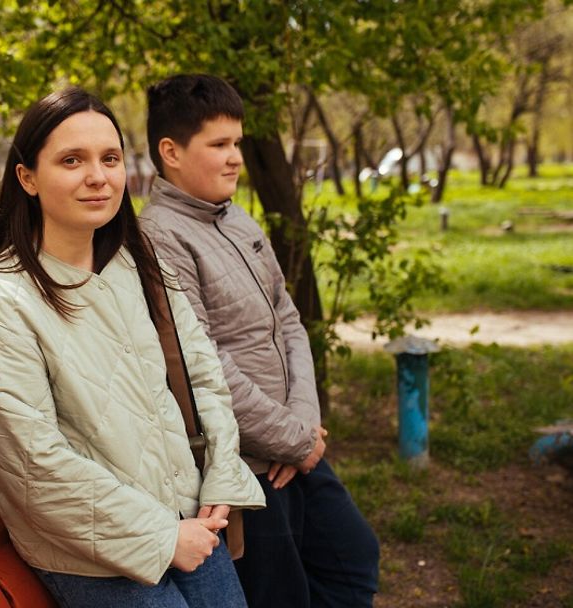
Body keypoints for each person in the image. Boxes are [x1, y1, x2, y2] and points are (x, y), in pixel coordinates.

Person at [0, 87, 264, 608]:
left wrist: (219, 478)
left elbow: (203, 376)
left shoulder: (139, 264)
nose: (97, 176)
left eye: (110, 158)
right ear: (27, 177)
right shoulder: (3, 306)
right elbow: (36, 466)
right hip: (92, 553)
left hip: (191, 517)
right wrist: (163, 538)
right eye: (71, 160)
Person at [140, 74, 380, 607]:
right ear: (171, 152)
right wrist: (293, 439)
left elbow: (287, 320)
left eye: (237, 144)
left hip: (293, 445)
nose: (235, 159)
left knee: (353, 560)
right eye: (219, 145)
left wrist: (302, 430)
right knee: (281, 595)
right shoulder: (158, 237)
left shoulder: (237, 216)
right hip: (246, 466)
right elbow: (202, 365)